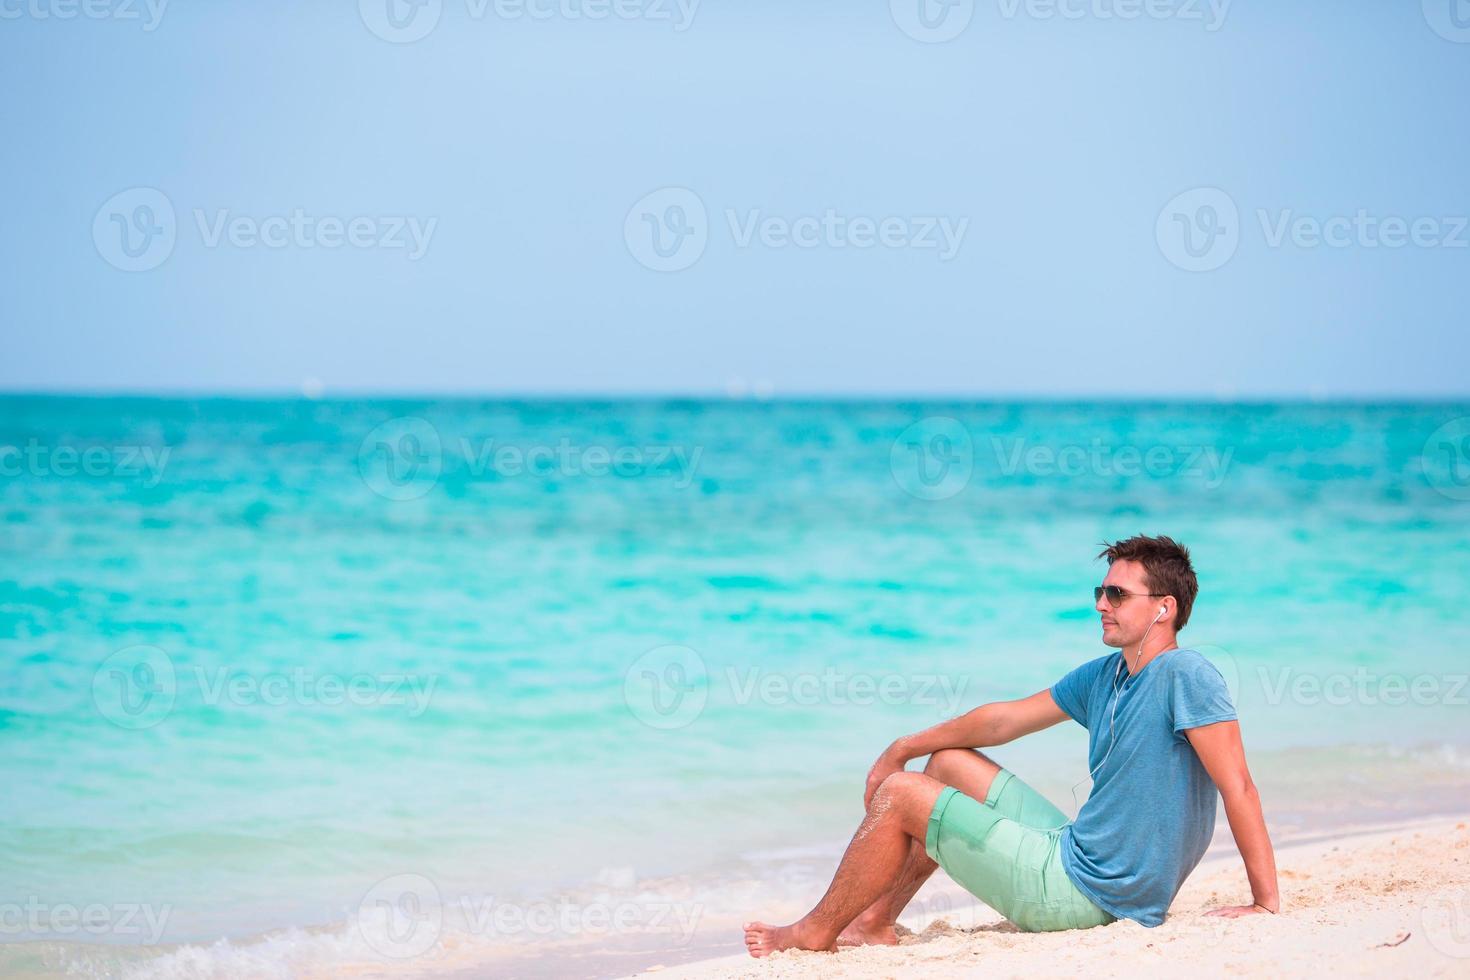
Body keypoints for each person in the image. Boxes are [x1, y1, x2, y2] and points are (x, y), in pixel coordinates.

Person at [744, 533, 1279, 957]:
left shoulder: (1186, 674)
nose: (1101, 604)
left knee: (904, 795)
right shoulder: (1107, 676)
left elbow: (1239, 786)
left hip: (1089, 896)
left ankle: (814, 931)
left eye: (1117, 594)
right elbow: (1003, 721)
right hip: (1079, 855)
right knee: (947, 763)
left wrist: (1264, 902)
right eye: (1100, 592)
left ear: (1163, 608)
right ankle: (873, 922)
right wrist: (902, 745)